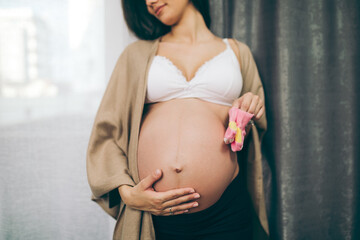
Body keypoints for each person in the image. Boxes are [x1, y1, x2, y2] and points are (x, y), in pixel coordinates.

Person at [86, 0, 269, 239]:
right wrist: (127, 193)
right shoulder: (136, 55)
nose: (149, 2)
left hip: (226, 212)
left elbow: (254, 129)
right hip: (155, 217)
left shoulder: (237, 51)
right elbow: (107, 132)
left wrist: (250, 109)